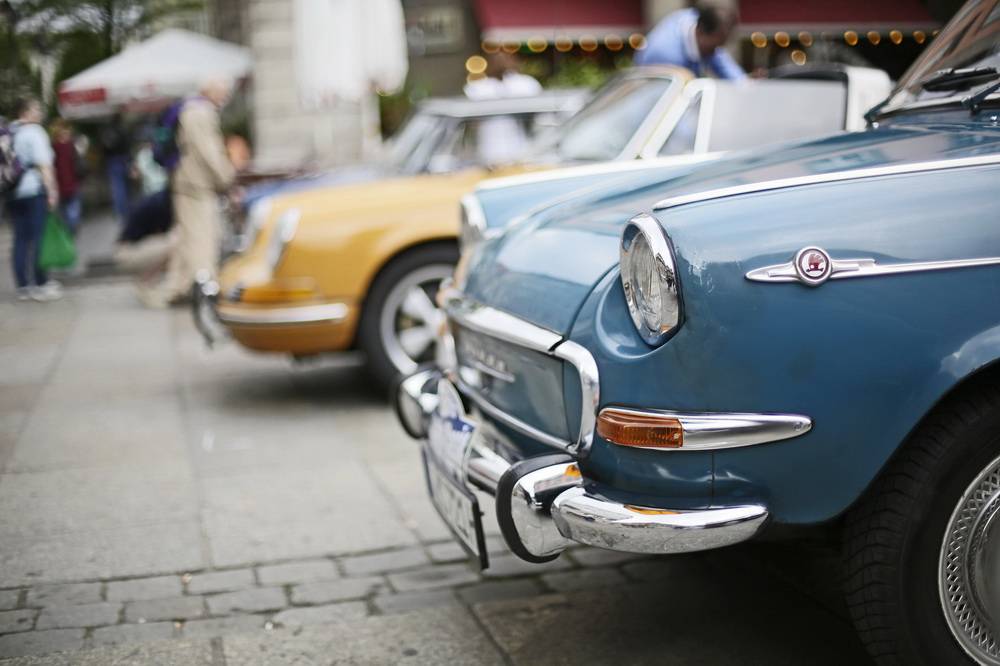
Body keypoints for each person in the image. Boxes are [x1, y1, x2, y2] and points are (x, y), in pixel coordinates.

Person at [139, 79, 236, 308]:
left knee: (186, 239)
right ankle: (206, 288)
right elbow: (208, 150)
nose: (224, 98)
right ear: (210, 90)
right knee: (202, 239)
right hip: (196, 185)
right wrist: (226, 176)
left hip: (186, 182)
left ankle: (172, 290)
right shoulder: (200, 112)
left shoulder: (188, 108)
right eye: (222, 92)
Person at [6, 97, 62, 302]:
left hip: (12, 192)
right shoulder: (35, 132)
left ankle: (22, 286)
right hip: (34, 190)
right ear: (26, 112)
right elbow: (44, 165)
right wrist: (52, 191)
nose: (39, 112)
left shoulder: (10, 132)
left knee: (20, 239)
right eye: (36, 108)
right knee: (39, 237)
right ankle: (40, 283)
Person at [464, 52, 542, 165]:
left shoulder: (523, 83)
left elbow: (537, 111)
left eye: (505, 59)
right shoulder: (478, 88)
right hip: (488, 149)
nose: (500, 63)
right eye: (496, 61)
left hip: (520, 147)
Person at [635, 2, 746, 80]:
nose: (717, 51)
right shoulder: (666, 54)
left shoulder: (694, 18)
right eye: (714, 47)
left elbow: (722, 62)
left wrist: (744, 83)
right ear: (700, 32)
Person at [50, 119, 83, 234]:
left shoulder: (53, 148)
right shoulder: (71, 146)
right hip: (70, 185)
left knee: (66, 213)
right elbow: (78, 165)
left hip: (61, 186)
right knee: (72, 213)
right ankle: (71, 231)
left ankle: (68, 232)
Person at [99, 113, 132, 224]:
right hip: (123, 159)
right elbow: (128, 145)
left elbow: (104, 148)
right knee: (124, 186)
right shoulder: (122, 130)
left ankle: (120, 212)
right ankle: (125, 211)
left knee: (117, 187)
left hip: (113, 161)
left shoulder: (108, 131)